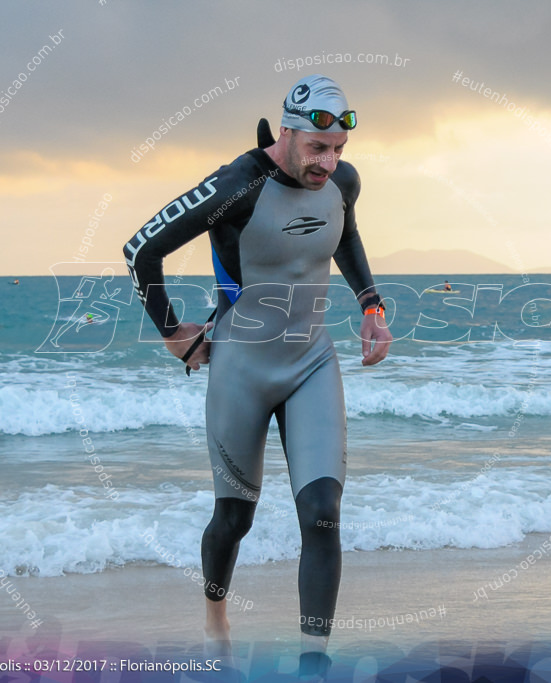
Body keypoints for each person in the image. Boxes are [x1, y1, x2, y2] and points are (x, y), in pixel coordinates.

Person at [123, 74, 391, 673]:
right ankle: (216, 610)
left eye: (338, 151)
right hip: (241, 367)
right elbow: (141, 249)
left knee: (322, 511)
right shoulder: (236, 186)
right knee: (234, 517)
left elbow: (344, 232)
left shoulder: (341, 181)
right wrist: (172, 332)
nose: (327, 163)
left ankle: (312, 664)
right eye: (316, 148)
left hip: (312, 362)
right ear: (289, 131)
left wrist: (371, 308)